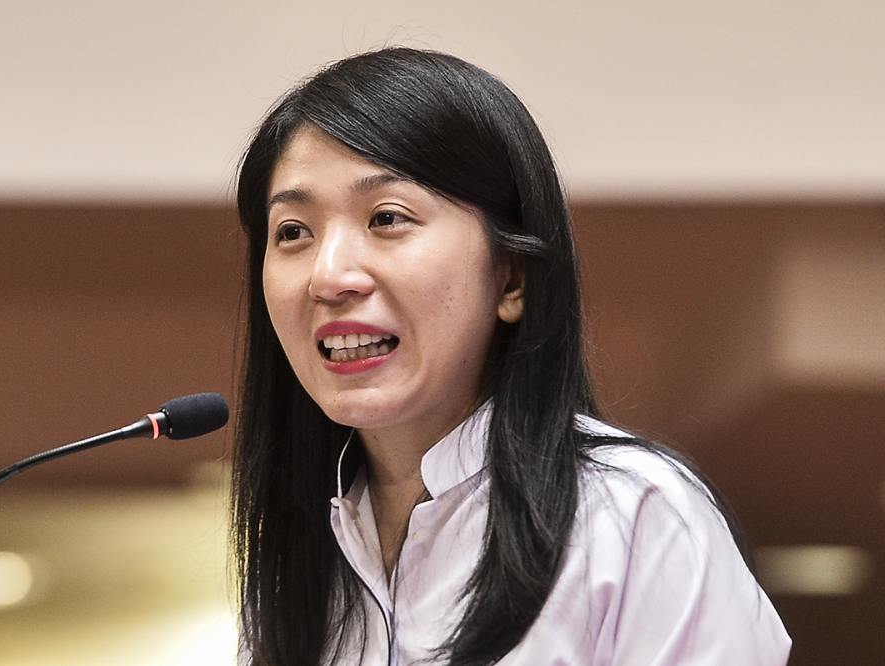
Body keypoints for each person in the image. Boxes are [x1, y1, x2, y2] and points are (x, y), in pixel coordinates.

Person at [231, 47, 790, 665]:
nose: (328, 276)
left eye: (387, 218)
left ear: (512, 278)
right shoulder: (302, 567)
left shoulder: (633, 520)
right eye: (292, 232)